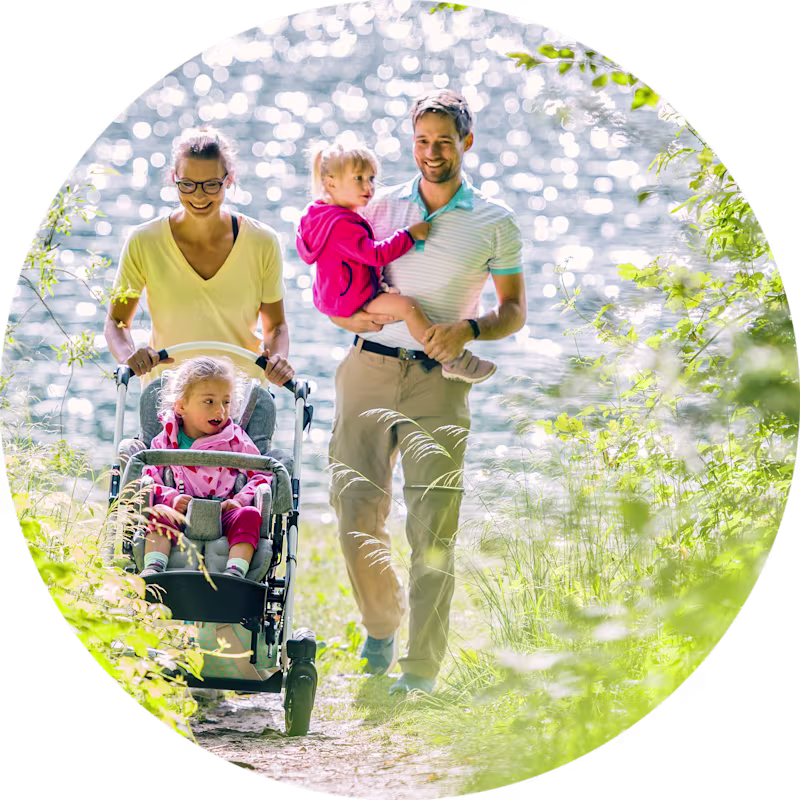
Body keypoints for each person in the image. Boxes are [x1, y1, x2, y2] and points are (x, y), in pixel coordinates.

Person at [327, 89, 527, 695]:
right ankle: (382, 624)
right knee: (353, 509)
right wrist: (340, 318)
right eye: (421, 141)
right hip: (368, 369)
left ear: (466, 142)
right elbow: (337, 280)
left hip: (441, 382)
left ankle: (420, 668)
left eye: (444, 141)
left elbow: (514, 310)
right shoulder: (378, 207)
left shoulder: (495, 221)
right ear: (410, 142)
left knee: (432, 527)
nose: (431, 152)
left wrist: (471, 327)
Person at [104, 126, 294, 388]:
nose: (199, 195)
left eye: (211, 184)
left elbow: (276, 327)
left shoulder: (263, 241)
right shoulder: (143, 241)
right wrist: (129, 358)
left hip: (239, 398)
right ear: (174, 178)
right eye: (188, 185)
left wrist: (279, 359)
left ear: (229, 179)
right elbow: (117, 322)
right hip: (168, 396)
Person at [296, 140, 496, 383]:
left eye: (371, 178)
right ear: (331, 183)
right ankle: (451, 358)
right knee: (408, 308)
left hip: (336, 294)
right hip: (351, 298)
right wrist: (409, 235)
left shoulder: (319, 215)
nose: (368, 186)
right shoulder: (341, 224)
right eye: (358, 178)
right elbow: (375, 254)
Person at [139, 356, 271, 579]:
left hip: (224, 513)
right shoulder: (167, 439)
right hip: (179, 512)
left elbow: (262, 473)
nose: (220, 411)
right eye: (209, 402)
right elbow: (149, 477)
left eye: (226, 402)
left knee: (249, 515)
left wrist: (239, 501)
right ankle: (154, 568)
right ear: (181, 405)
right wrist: (170, 498)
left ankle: (235, 571)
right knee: (157, 512)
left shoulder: (235, 439)